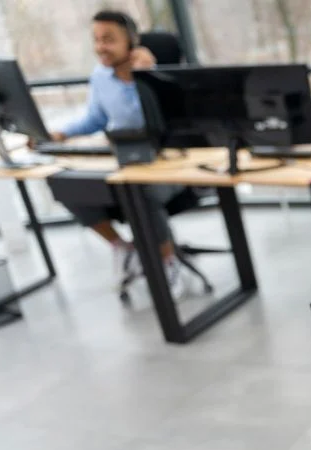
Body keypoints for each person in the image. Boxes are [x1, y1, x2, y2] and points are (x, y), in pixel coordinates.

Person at [46, 10, 187, 294]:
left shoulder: (155, 74)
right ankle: (121, 246)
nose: (100, 47)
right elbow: (95, 119)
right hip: (125, 159)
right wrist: (61, 133)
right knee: (63, 183)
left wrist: (146, 77)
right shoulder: (100, 77)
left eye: (108, 39)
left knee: (140, 190)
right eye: (96, 40)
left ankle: (168, 260)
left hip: (169, 165)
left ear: (131, 40)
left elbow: (172, 119)